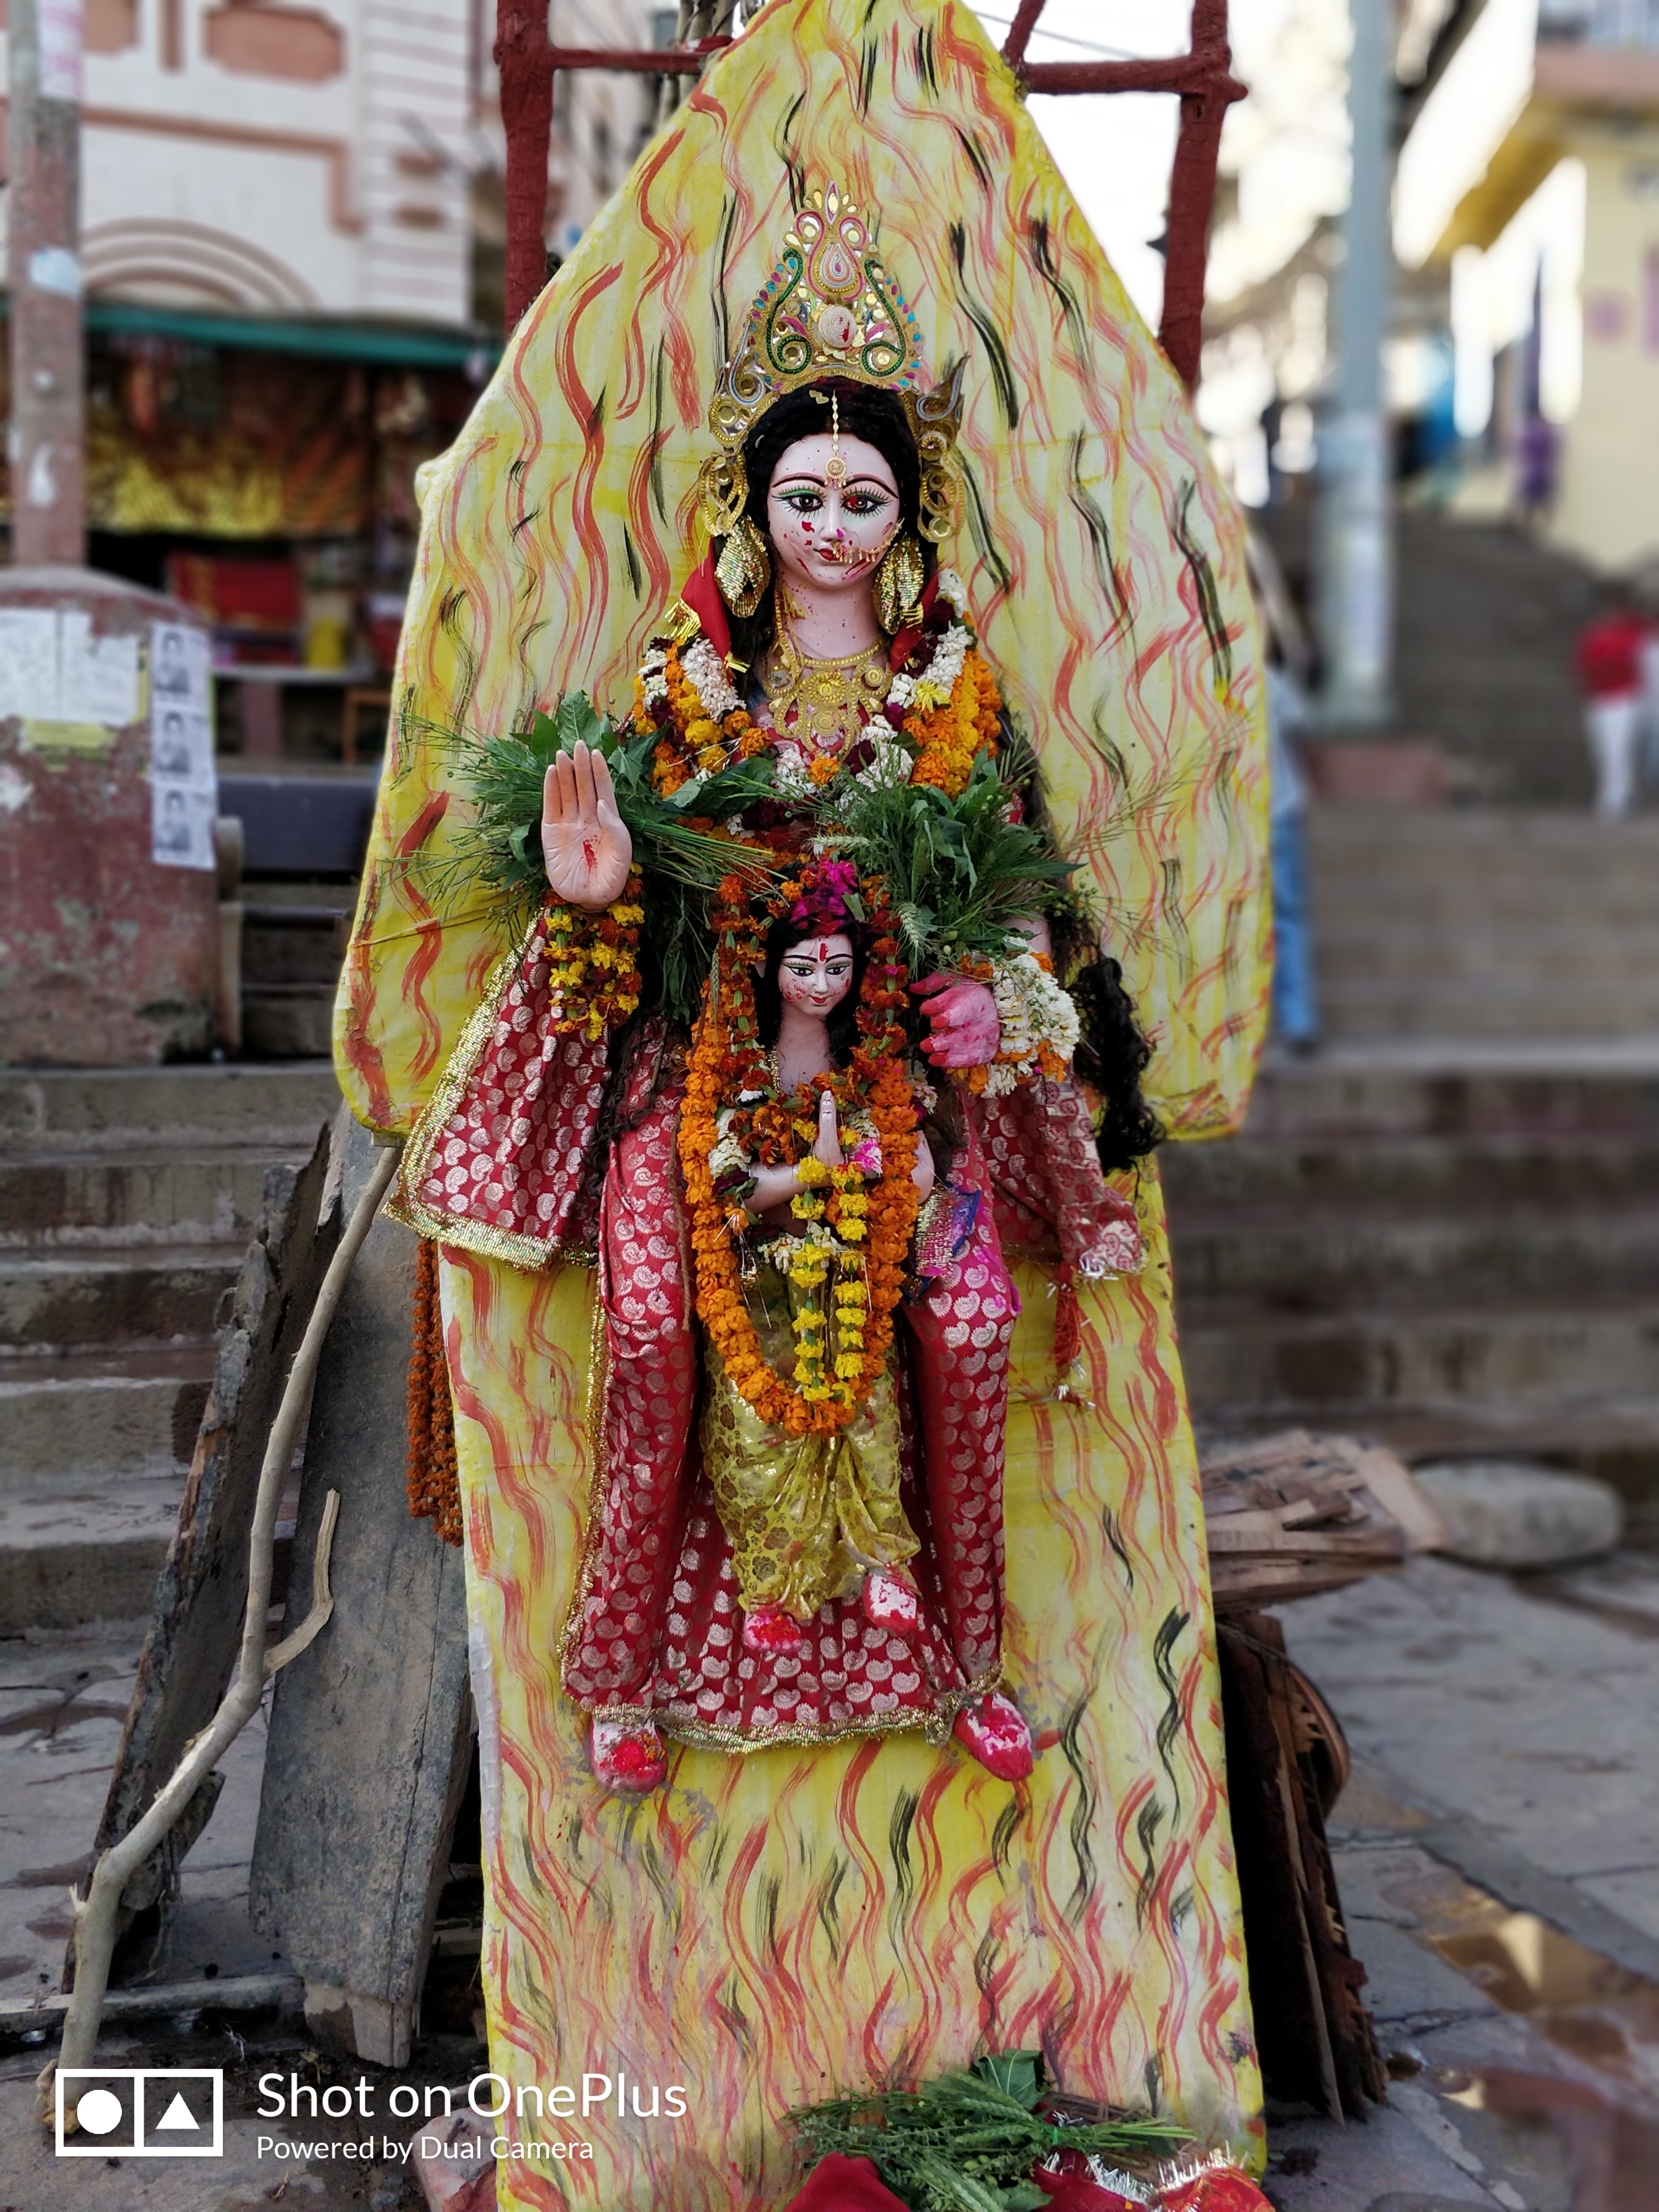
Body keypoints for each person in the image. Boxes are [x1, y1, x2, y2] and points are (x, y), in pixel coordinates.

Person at [1575, 580, 1649, 818]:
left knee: (1620, 750)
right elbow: (1584, 663)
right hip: (1599, 698)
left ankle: (1618, 800)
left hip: (1625, 697)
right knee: (1603, 751)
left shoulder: (1634, 633)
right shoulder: (1595, 633)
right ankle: (1610, 797)